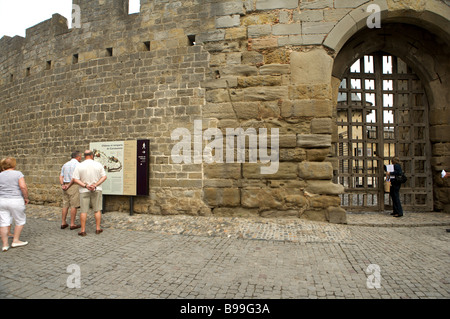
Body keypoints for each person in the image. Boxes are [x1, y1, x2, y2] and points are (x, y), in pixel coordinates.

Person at [72, 150, 107, 236]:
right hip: (96, 189)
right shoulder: (98, 164)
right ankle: (98, 228)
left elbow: (75, 179)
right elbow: (104, 176)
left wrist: (85, 186)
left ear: (84, 156)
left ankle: (83, 230)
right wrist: (95, 185)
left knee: (83, 211)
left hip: (84, 190)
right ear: (92, 155)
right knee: (97, 210)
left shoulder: (80, 165)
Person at [0, 157, 29, 251]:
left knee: (3, 222)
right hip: (15, 199)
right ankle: (15, 240)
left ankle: (5, 244)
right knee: (20, 220)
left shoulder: (0, 175)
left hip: (2, 200)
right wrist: (26, 197)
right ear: (13, 164)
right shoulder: (18, 174)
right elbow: (23, 186)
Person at [60, 151, 82, 230]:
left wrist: (63, 185)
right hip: (74, 185)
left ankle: (63, 222)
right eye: (80, 157)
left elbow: (61, 176)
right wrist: (69, 185)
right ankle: (72, 224)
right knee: (74, 205)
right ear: (78, 157)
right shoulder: (78, 165)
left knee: (65, 204)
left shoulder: (65, 164)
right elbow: (74, 178)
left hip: (65, 185)